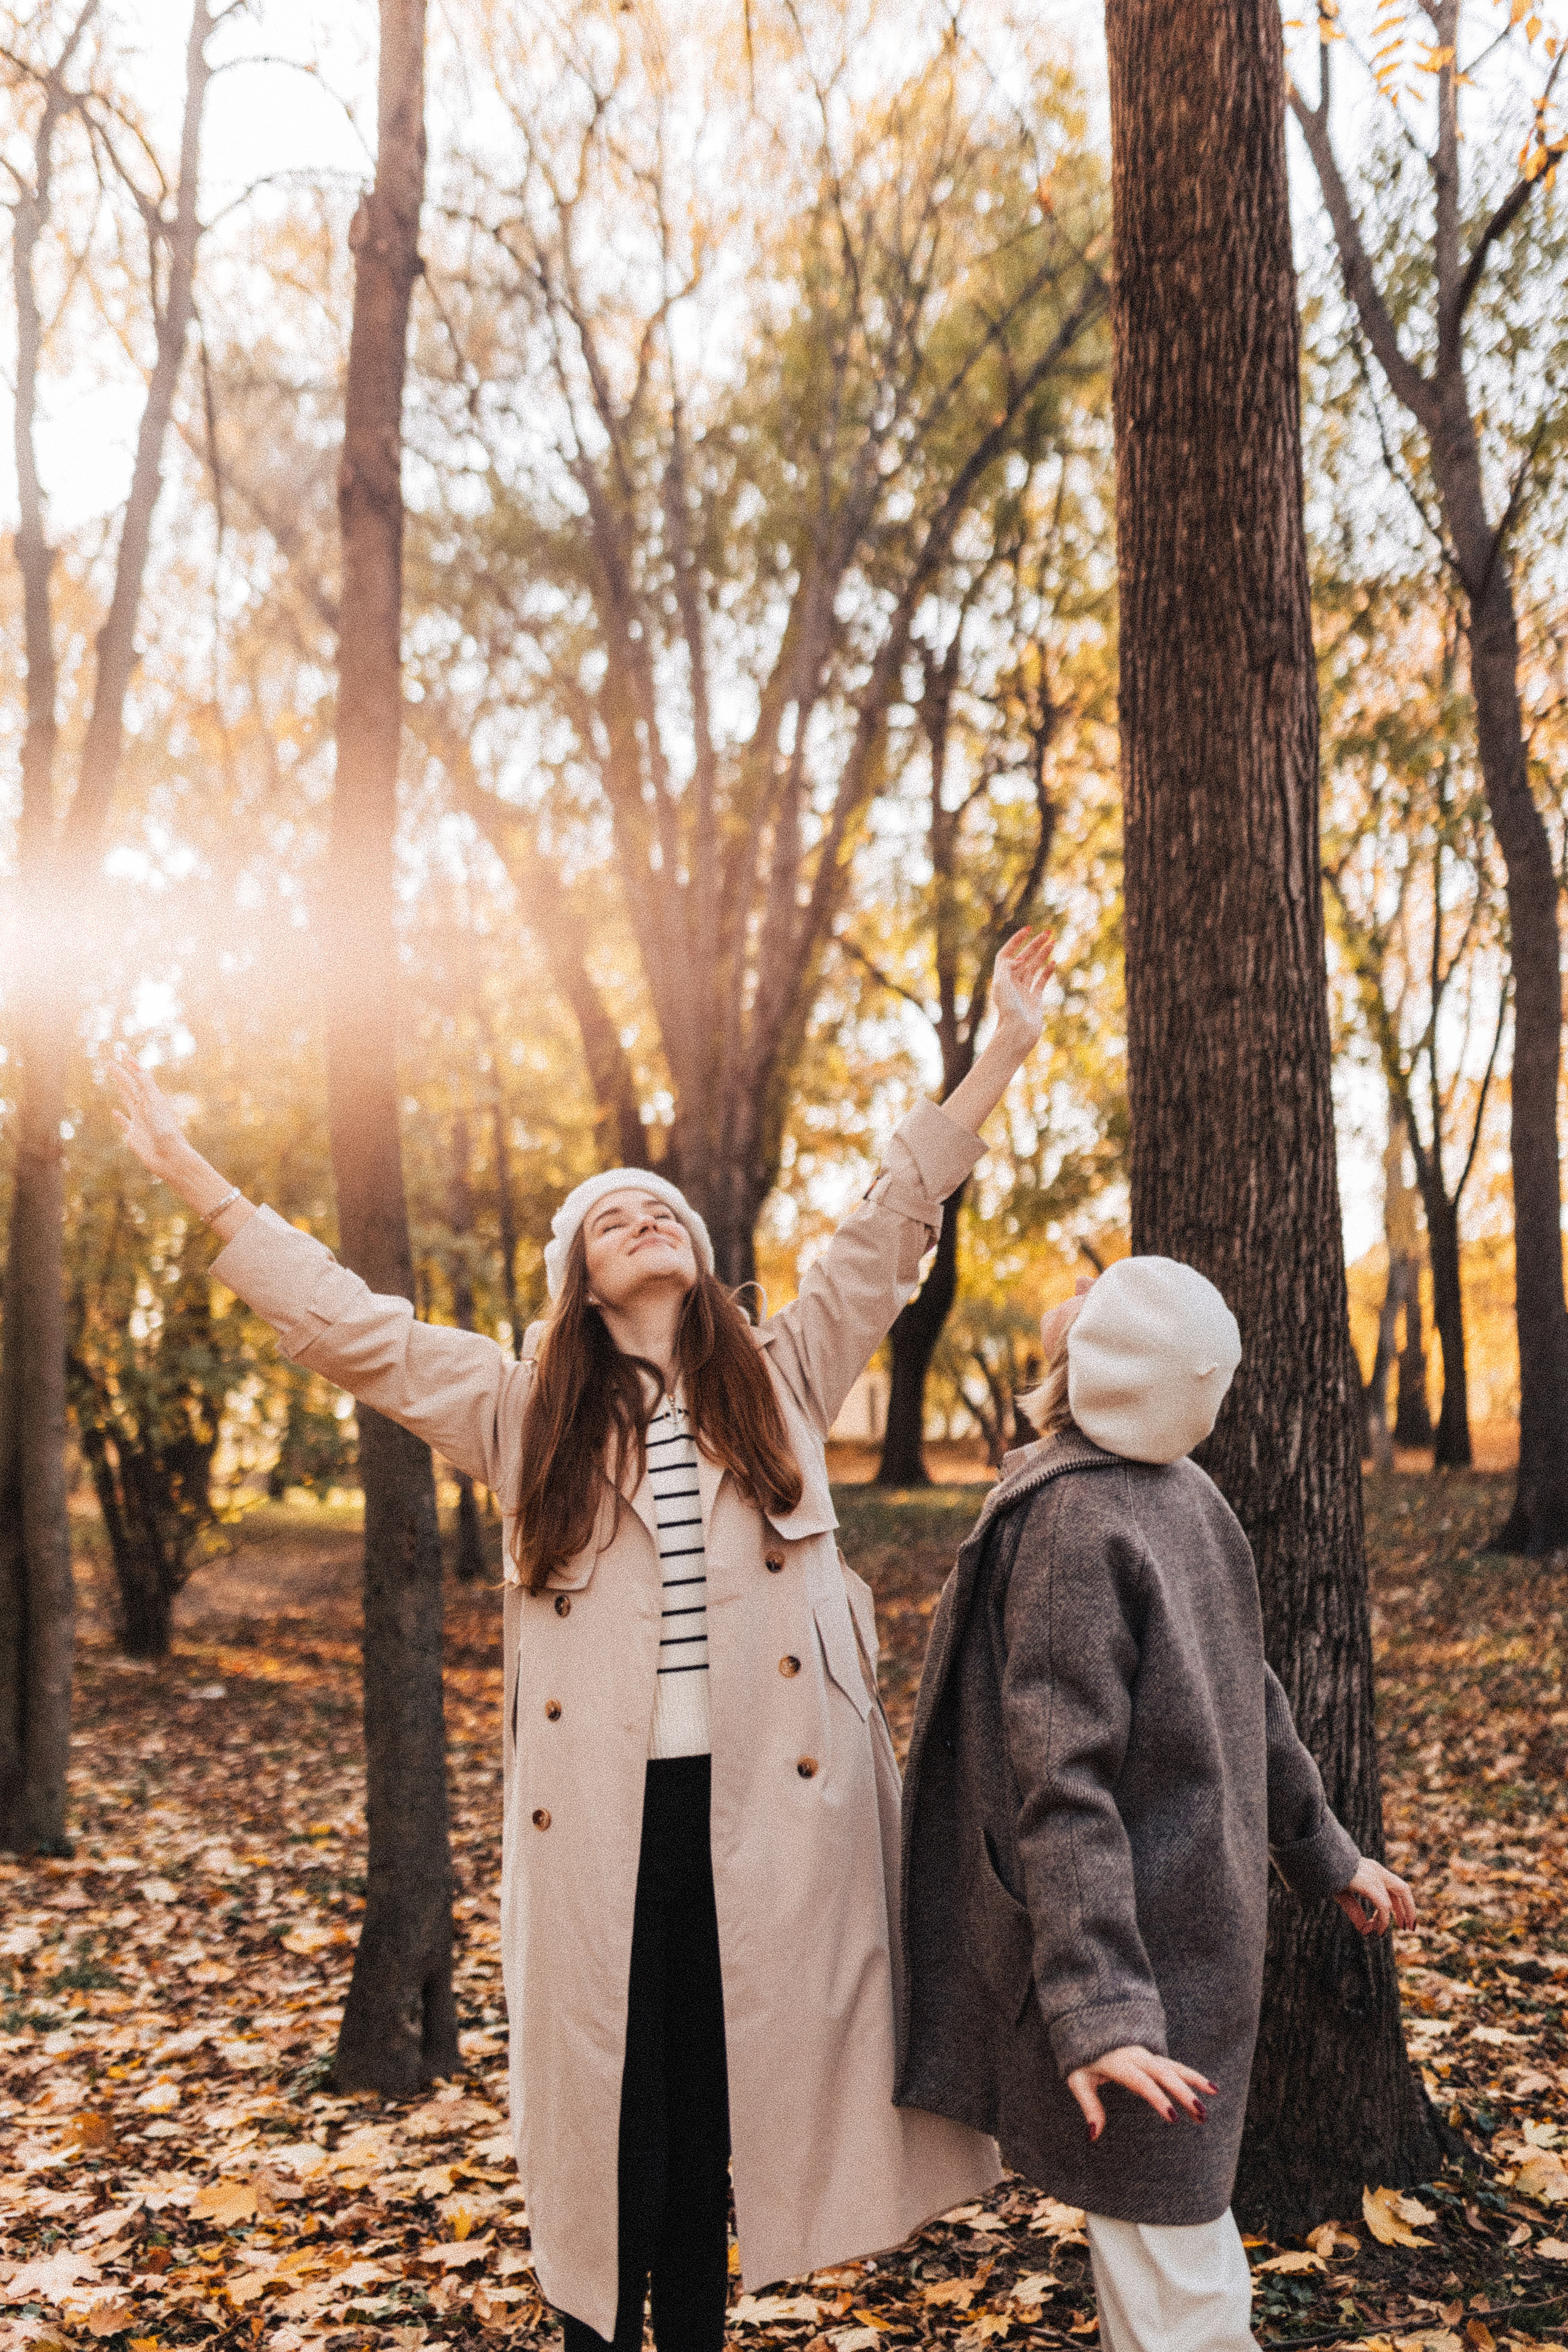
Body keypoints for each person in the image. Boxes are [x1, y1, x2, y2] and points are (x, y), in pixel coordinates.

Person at [108, 929, 1060, 2352]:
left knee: (720, 2110)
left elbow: (895, 1215)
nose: (645, 1219)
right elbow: (344, 1327)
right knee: (623, 2120)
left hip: (772, 1828)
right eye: (612, 1217)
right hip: (607, 1830)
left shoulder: (787, 1372)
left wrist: (1000, 1051)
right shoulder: (518, 1411)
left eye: (661, 1209)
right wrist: (193, 1172)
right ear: (578, 1277)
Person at [894, 1255, 1416, 2352]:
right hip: (1133, 1967)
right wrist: (1100, 2014)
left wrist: (1324, 1851)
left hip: (1173, 1956)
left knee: (1177, 2265)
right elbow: (1062, 1788)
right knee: (1176, 2268)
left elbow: (1247, 1689)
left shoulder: (1160, 1504)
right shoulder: (1094, 1513)